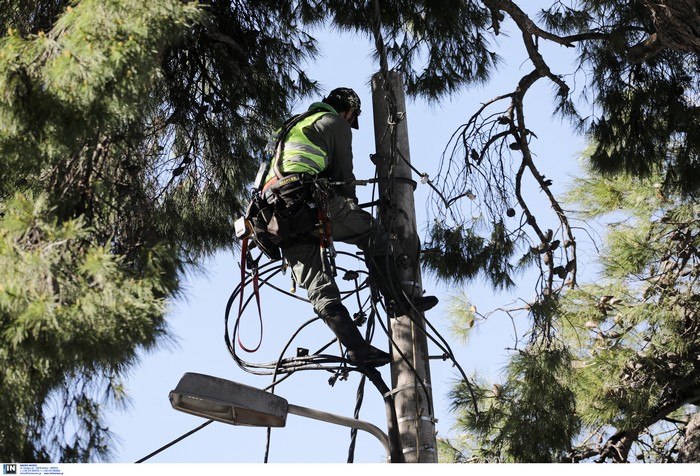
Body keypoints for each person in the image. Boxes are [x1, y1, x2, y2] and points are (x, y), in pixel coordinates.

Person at [261, 88, 437, 367]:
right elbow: (343, 176)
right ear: (348, 111)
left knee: (320, 289)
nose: (350, 121)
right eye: (351, 116)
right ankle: (397, 301)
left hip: (276, 219)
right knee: (374, 233)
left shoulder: (295, 124)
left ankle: (357, 349)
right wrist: (351, 207)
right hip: (307, 202)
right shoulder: (333, 123)